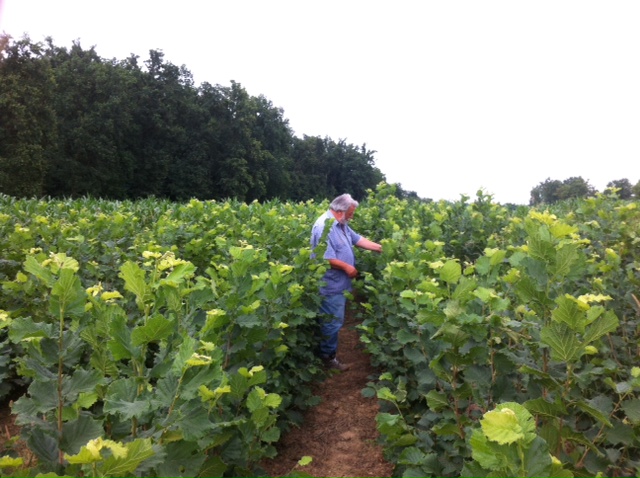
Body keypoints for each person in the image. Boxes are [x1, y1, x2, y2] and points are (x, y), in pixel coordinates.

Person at [310, 193, 383, 371]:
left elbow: (357, 239)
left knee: (334, 320)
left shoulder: (341, 225)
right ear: (340, 211)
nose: (352, 216)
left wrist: (380, 247)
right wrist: (346, 267)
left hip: (339, 284)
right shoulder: (323, 227)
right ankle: (327, 359)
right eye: (351, 213)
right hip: (330, 284)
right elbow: (323, 258)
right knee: (332, 322)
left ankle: (326, 354)